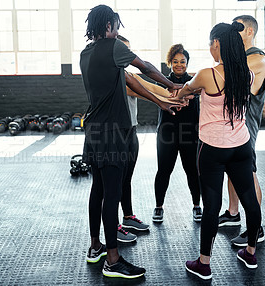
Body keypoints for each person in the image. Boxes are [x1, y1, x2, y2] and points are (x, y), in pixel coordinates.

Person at [80, 5, 185, 279]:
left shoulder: (85, 53)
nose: (117, 31)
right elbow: (145, 68)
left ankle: (95, 248)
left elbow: (129, 80)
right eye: (115, 26)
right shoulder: (113, 47)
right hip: (113, 133)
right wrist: (172, 85)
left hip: (93, 131)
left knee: (99, 190)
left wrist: (161, 100)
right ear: (108, 27)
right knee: (112, 194)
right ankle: (113, 261)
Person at [176, 22, 262, 280]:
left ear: (217, 44)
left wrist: (182, 94)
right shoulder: (247, 75)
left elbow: (186, 90)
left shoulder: (206, 74)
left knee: (211, 206)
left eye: (210, 43)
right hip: (241, 147)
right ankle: (250, 253)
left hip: (213, 149)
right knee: (250, 200)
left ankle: (204, 264)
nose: (209, 48)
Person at [217, 15, 265, 247]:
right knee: (233, 169)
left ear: (249, 32)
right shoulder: (240, 57)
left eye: (238, 29)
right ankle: (233, 212)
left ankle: (256, 229)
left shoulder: (256, 58)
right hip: (233, 123)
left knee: (249, 175)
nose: (233, 33)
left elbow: (225, 76)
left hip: (246, 125)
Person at [152, 44, 202, 223]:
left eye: (183, 61)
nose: (179, 65)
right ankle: (158, 207)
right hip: (167, 134)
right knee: (164, 171)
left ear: (187, 63)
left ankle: (197, 206)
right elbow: (159, 98)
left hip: (189, 134)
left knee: (193, 171)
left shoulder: (195, 82)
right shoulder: (162, 83)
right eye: (175, 61)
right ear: (170, 63)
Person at [115, 35, 149, 244]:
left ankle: (128, 217)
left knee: (126, 177)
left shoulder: (129, 73)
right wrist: (171, 96)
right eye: (123, 50)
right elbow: (145, 91)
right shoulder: (116, 76)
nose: (127, 54)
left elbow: (146, 87)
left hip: (131, 131)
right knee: (115, 181)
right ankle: (114, 225)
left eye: (129, 50)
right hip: (115, 133)